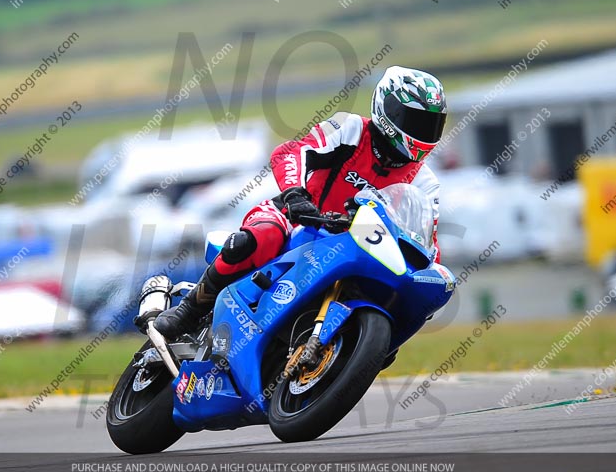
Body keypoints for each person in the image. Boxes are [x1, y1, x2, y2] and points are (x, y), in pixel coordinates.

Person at [154, 65, 448, 339]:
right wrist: (295, 194)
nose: (423, 132)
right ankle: (189, 310)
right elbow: (291, 152)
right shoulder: (350, 129)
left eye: (432, 124)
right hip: (298, 219)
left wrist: (424, 279)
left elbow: (426, 241)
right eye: (416, 120)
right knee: (260, 237)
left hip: (359, 248)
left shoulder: (425, 182)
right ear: (388, 110)